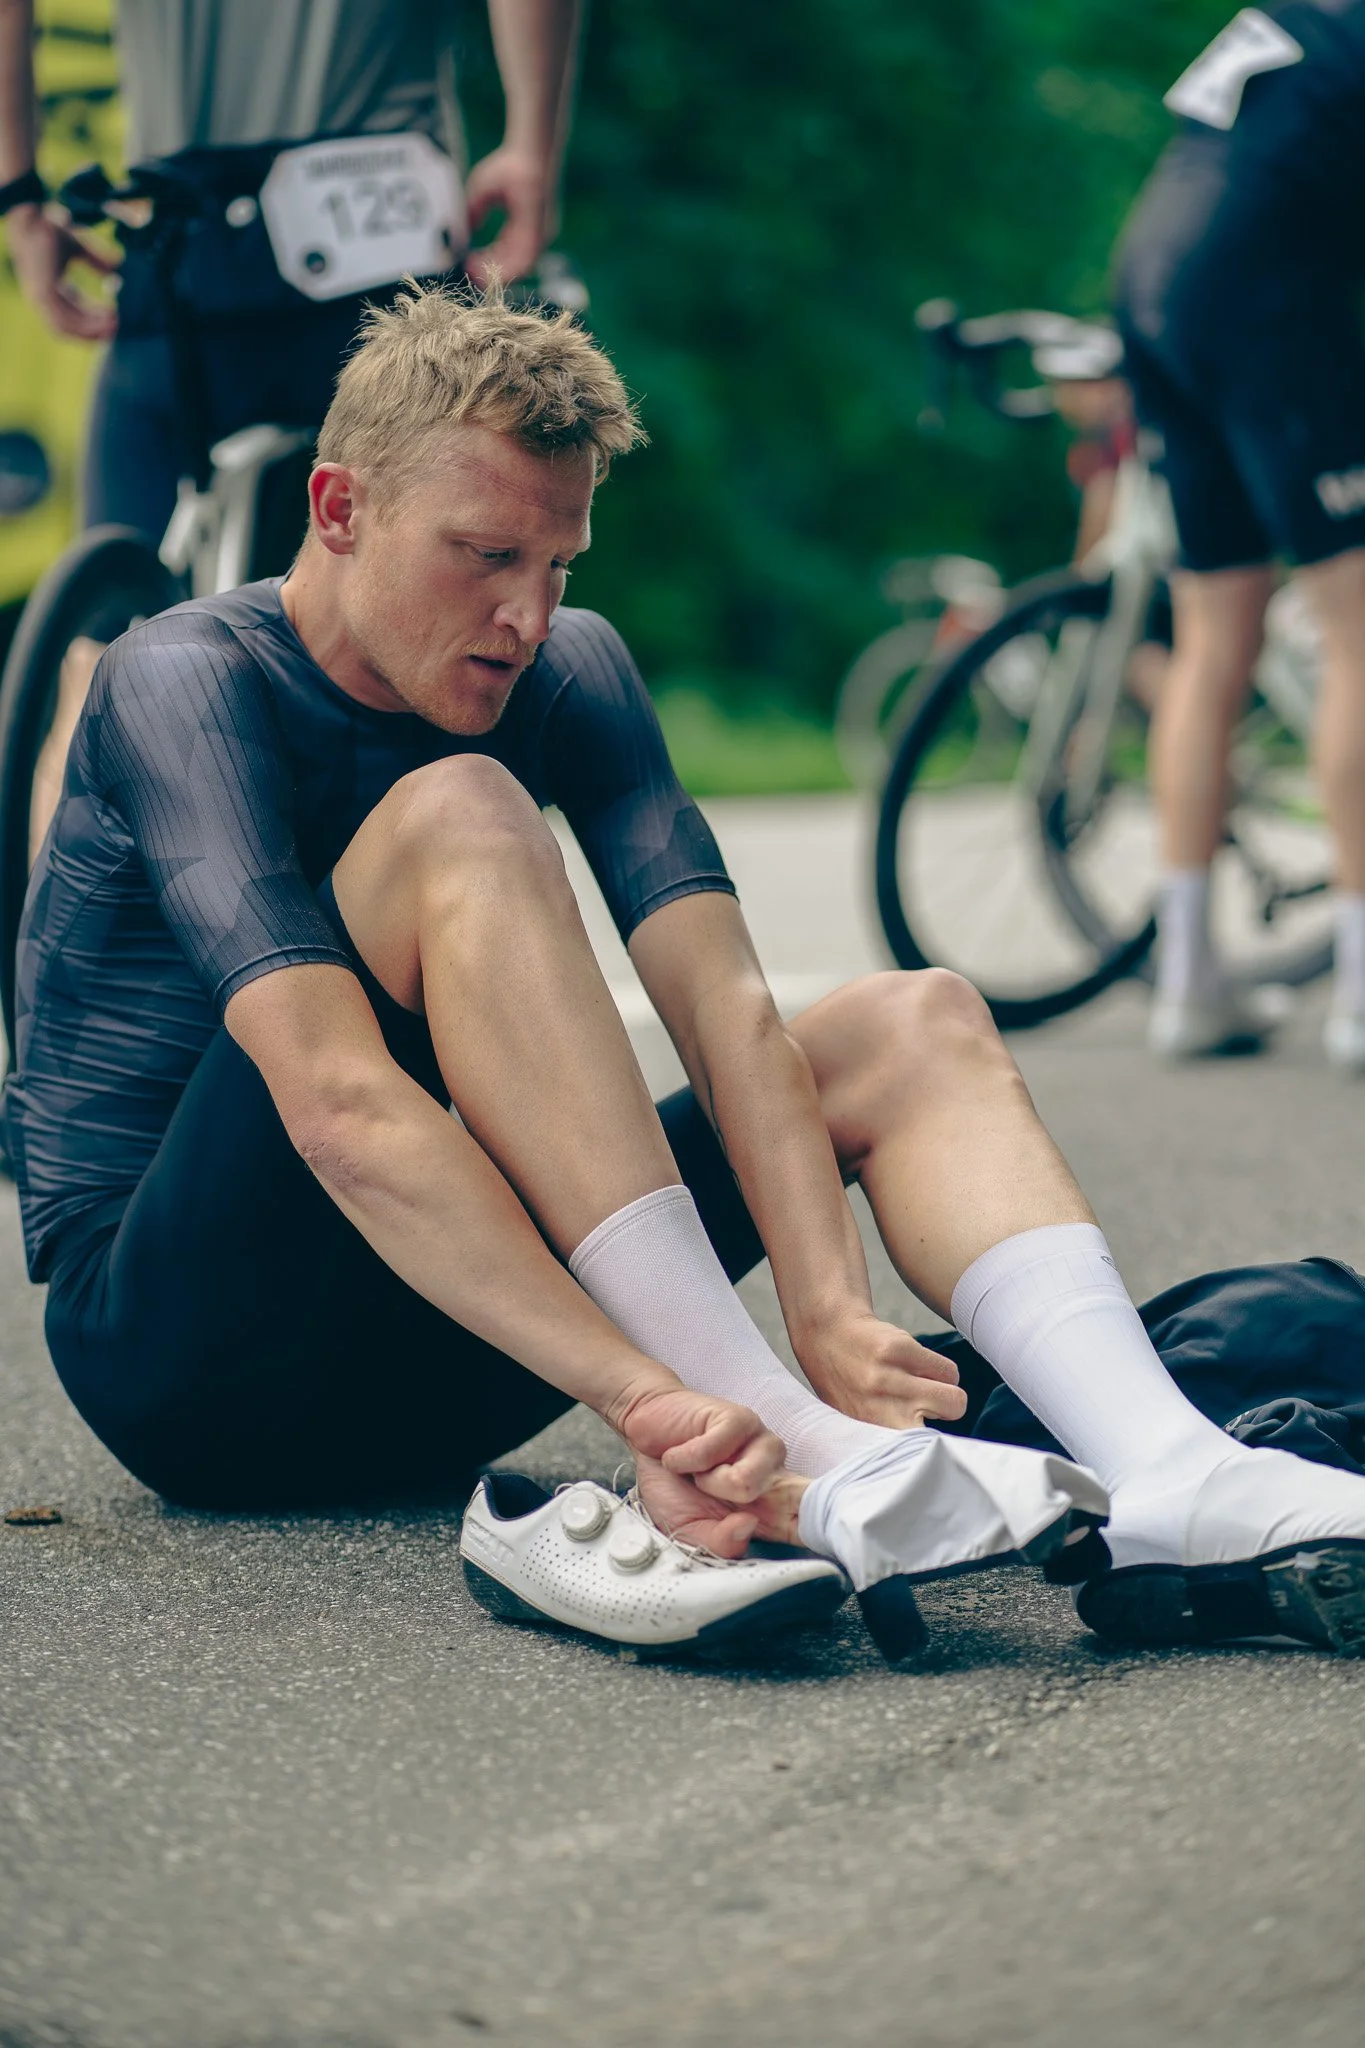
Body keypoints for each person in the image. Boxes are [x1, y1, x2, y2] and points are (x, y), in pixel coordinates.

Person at [6, 284, 1364, 1665]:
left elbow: (726, 1015)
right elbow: (342, 1113)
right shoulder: (182, 680)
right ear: (340, 508)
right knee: (463, 812)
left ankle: (1170, 1470)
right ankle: (774, 1438)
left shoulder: (568, 666)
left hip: (458, 1332)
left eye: (558, 565)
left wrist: (826, 1300)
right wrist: (655, 1403)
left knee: (913, 1021)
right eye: (482, 555)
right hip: (190, 1366)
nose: (526, 614)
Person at [0, 0, 581, 539]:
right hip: (387, 251)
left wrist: (21, 204)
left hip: (189, 246)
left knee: (110, 616)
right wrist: (532, 146)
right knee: (446, 596)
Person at [1112, 0, 1365, 1065]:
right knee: (1358, 635)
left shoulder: (1299, 20)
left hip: (1151, 284)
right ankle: (1361, 991)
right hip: (1260, 299)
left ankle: (1188, 981)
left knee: (1216, 642)